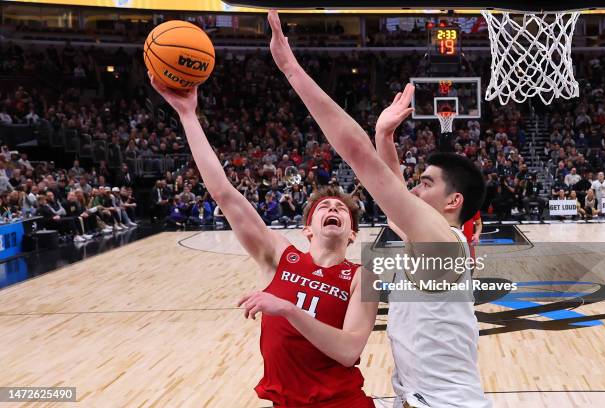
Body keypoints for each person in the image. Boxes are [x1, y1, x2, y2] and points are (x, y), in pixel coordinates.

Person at [268, 10, 490, 408]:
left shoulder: (443, 246)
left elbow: (362, 161)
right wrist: (383, 135)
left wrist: (290, 70)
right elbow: (393, 201)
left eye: (426, 183)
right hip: (417, 399)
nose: (414, 189)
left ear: (454, 201)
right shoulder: (432, 242)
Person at [148, 71, 378, 407]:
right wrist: (187, 115)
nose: (333, 208)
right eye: (324, 206)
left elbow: (348, 351)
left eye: (341, 209)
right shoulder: (280, 256)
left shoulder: (362, 275)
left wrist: (288, 309)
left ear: (352, 232)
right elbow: (224, 193)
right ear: (307, 229)